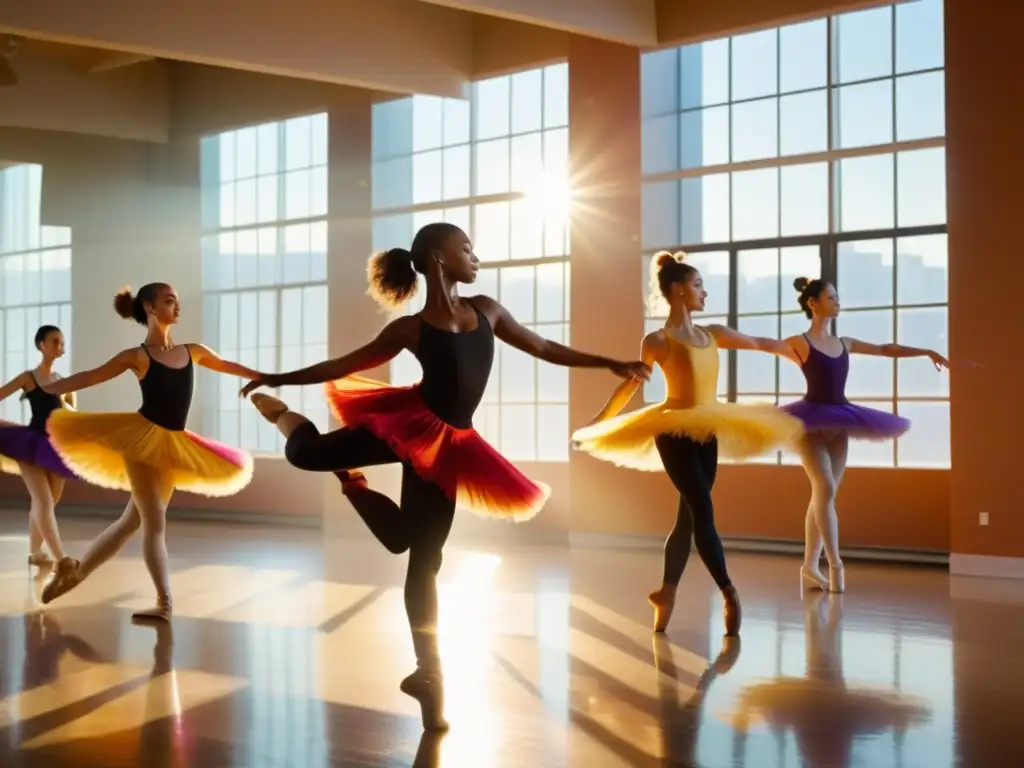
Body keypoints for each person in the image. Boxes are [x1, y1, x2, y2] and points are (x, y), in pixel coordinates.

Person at [240, 221, 650, 730]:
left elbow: (543, 347)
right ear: (438, 257)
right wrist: (279, 380)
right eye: (466, 248)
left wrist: (608, 362)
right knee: (307, 454)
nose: (475, 257)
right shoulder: (408, 329)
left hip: (452, 444)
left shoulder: (487, 310)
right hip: (405, 427)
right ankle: (283, 417)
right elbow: (345, 363)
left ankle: (422, 666)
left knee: (414, 550)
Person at [571, 251, 805, 636]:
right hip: (673, 430)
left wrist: (790, 351)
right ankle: (729, 592)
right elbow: (631, 385)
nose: (704, 293)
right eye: (698, 285)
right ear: (678, 291)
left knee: (687, 520)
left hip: (709, 427)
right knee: (702, 506)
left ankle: (666, 592)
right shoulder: (658, 340)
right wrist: (596, 424)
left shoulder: (712, 333)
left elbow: (758, 342)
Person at [38, 283, 262, 621]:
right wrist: (49, 387)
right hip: (141, 441)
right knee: (154, 522)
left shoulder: (192, 351)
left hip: (173, 443)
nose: (177, 307)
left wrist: (266, 376)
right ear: (149, 308)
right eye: (169, 301)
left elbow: (226, 364)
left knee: (132, 521)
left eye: (177, 300)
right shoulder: (138, 356)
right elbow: (91, 376)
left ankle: (76, 573)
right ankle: (165, 602)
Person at [782, 277, 949, 593]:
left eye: (837, 296)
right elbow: (761, 343)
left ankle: (808, 565)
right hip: (809, 422)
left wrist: (926, 351)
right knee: (825, 487)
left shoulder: (845, 342)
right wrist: (720, 337)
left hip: (841, 420)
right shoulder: (800, 342)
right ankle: (835, 565)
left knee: (823, 495)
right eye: (830, 296)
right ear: (812, 303)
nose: (837, 301)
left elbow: (886, 349)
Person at [0, 325, 77, 568]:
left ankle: (35, 552)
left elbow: (73, 416)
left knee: (49, 501)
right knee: (42, 500)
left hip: (55, 447)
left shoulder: (65, 383)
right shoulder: (28, 378)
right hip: (30, 444)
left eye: (61, 342)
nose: (59, 346)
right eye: (54, 341)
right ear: (41, 345)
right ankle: (61, 558)